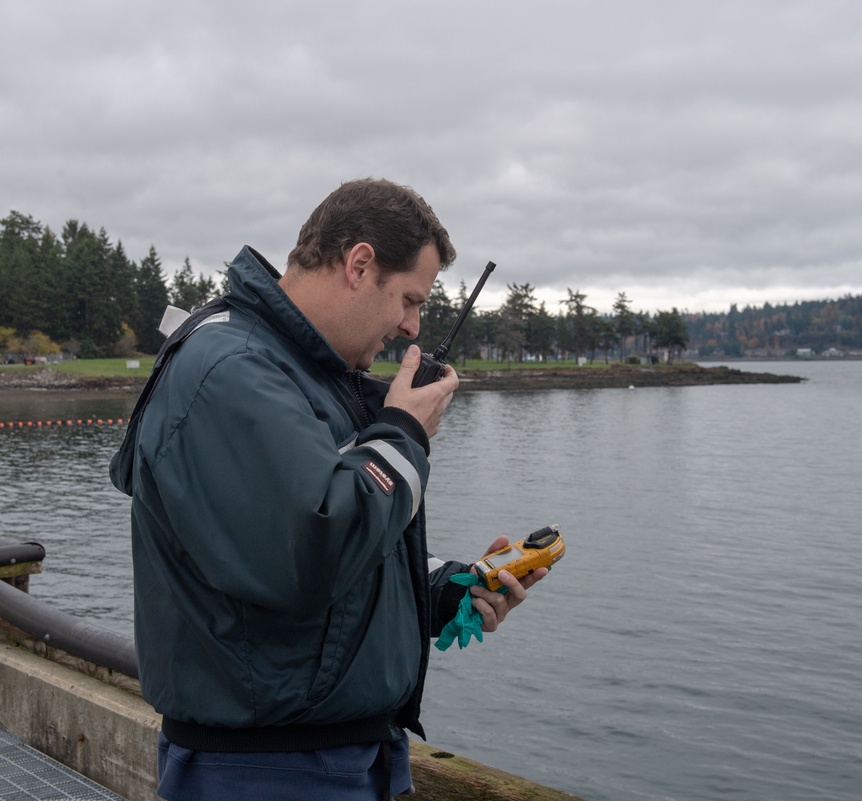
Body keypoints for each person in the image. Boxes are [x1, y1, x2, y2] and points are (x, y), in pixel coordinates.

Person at [110, 178, 547, 800]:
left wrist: (433, 590)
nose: (411, 325)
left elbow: (294, 563)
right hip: (267, 772)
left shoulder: (301, 373)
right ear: (359, 264)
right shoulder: (230, 371)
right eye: (408, 299)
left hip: (342, 759)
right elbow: (310, 549)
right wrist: (401, 437)